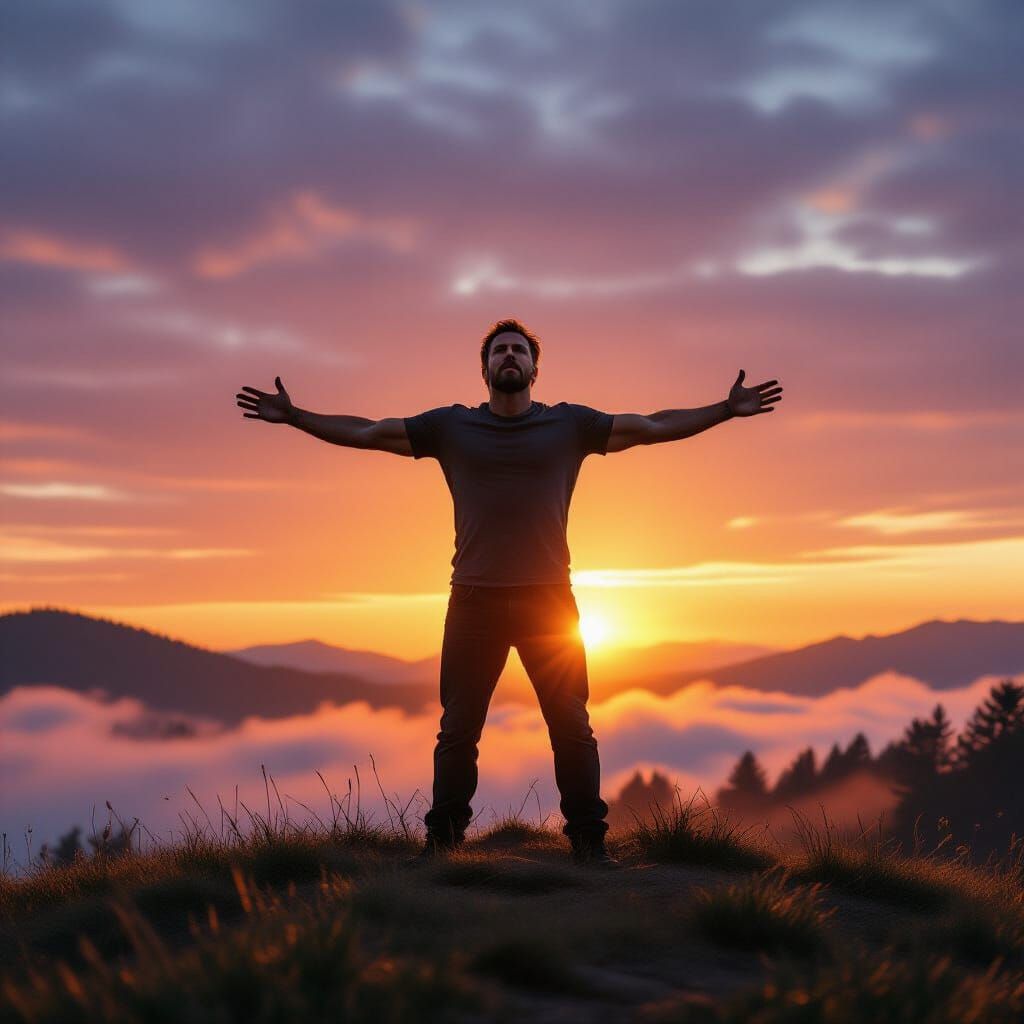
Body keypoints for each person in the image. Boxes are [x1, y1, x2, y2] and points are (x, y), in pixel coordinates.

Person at [235, 319, 783, 868]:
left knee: (571, 727)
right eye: (500, 350)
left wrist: (722, 409)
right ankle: (443, 845)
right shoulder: (450, 427)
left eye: (519, 349)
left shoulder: (570, 424)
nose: (510, 356)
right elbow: (370, 432)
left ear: (535, 368)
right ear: (485, 369)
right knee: (458, 730)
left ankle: (590, 846)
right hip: (475, 601)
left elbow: (651, 426)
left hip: (550, 602)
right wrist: (297, 417)